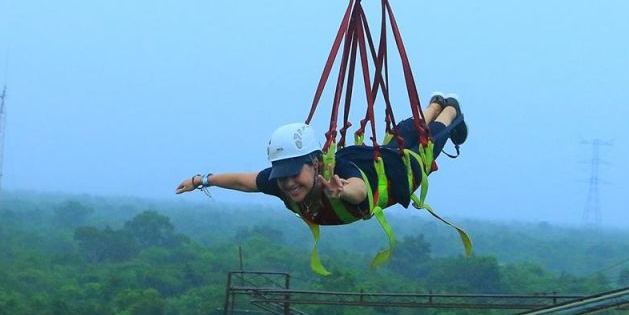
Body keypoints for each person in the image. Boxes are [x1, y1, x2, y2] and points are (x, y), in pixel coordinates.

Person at [175, 93, 468, 223]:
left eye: (294, 174)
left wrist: (341, 190)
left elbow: (359, 189)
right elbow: (244, 181)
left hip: (397, 174)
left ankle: (450, 109)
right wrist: (202, 180)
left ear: (315, 164)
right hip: (380, 162)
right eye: (283, 175)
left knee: (425, 142)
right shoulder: (279, 182)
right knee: (399, 138)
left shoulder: (337, 172)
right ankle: (433, 104)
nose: (289, 183)